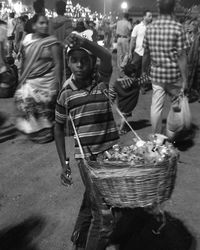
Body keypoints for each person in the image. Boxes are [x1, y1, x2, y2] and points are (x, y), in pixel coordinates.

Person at [54, 33, 119, 249]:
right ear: (68, 62)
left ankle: (79, 238)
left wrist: (85, 43)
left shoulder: (101, 80)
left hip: (111, 154)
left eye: (85, 60)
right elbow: (58, 127)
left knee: (92, 201)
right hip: (88, 159)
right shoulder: (66, 93)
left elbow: (108, 56)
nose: (79, 65)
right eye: (74, 60)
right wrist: (64, 163)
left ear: (92, 62)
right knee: (104, 219)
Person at [15, 14, 63, 143]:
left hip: (46, 82)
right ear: (34, 25)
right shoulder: (27, 39)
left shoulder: (52, 41)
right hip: (31, 80)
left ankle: (46, 132)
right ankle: (37, 131)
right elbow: (25, 60)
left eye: (46, 23)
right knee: (26, 103)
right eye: (41, 23)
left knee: (44, 110)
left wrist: (57, 84)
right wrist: (22, 77)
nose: (45, 25)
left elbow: (58, 63)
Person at [142, 0, 188, 134]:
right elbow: (182, 55)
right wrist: (185, 78)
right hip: (174, 76)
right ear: (173, 8)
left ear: (158, 9)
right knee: (176, 106)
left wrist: (144, 71)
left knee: (156, 106)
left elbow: (146, 53)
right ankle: (172, 133)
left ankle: (156, 136)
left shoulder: (150, 27)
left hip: (157, 75)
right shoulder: (178, 27)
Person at [129, 10, 152, 93]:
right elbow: (132, 40)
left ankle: (142, 86)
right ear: (144, 17)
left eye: (151, 16)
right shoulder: (137, 27)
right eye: (149, 16)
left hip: (147, 53)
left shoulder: (152, 27)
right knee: (134, 70)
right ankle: (133, 85)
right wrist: (130, 52)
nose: (151, 18)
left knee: (145, 71)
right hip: (138, 52)